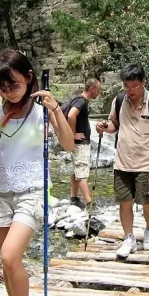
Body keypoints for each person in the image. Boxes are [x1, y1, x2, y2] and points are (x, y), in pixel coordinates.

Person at [0, 49, 74, 296]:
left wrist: (56, 109)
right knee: (8, 263)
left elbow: (69, 145)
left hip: (32, 190)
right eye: (3, 86)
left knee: (9, 256)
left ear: (29, 78)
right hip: (1, 189)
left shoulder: (41, 109)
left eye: (14, 85)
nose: (8, 91)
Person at [96, 65, 149, 258]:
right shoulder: (119, 101)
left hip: (146, 162)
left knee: (148, 202)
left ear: (143, 82)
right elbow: (114, 124)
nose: (131, 90)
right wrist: (105, 127)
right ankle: (129, 238)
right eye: (127, 86)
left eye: (135, 86)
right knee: (124, 202)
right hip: (122, 162)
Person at [65, 79, 102, 209]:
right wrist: (73, 134)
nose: (99, 92)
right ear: (91, 88)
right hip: (80, 143)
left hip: (78, 143)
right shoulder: (81, 101)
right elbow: (71, 116)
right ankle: (89, 203)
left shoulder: (78, 99)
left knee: (77, 170)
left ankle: (74, 198)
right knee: (82, 172)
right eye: (98, 89)